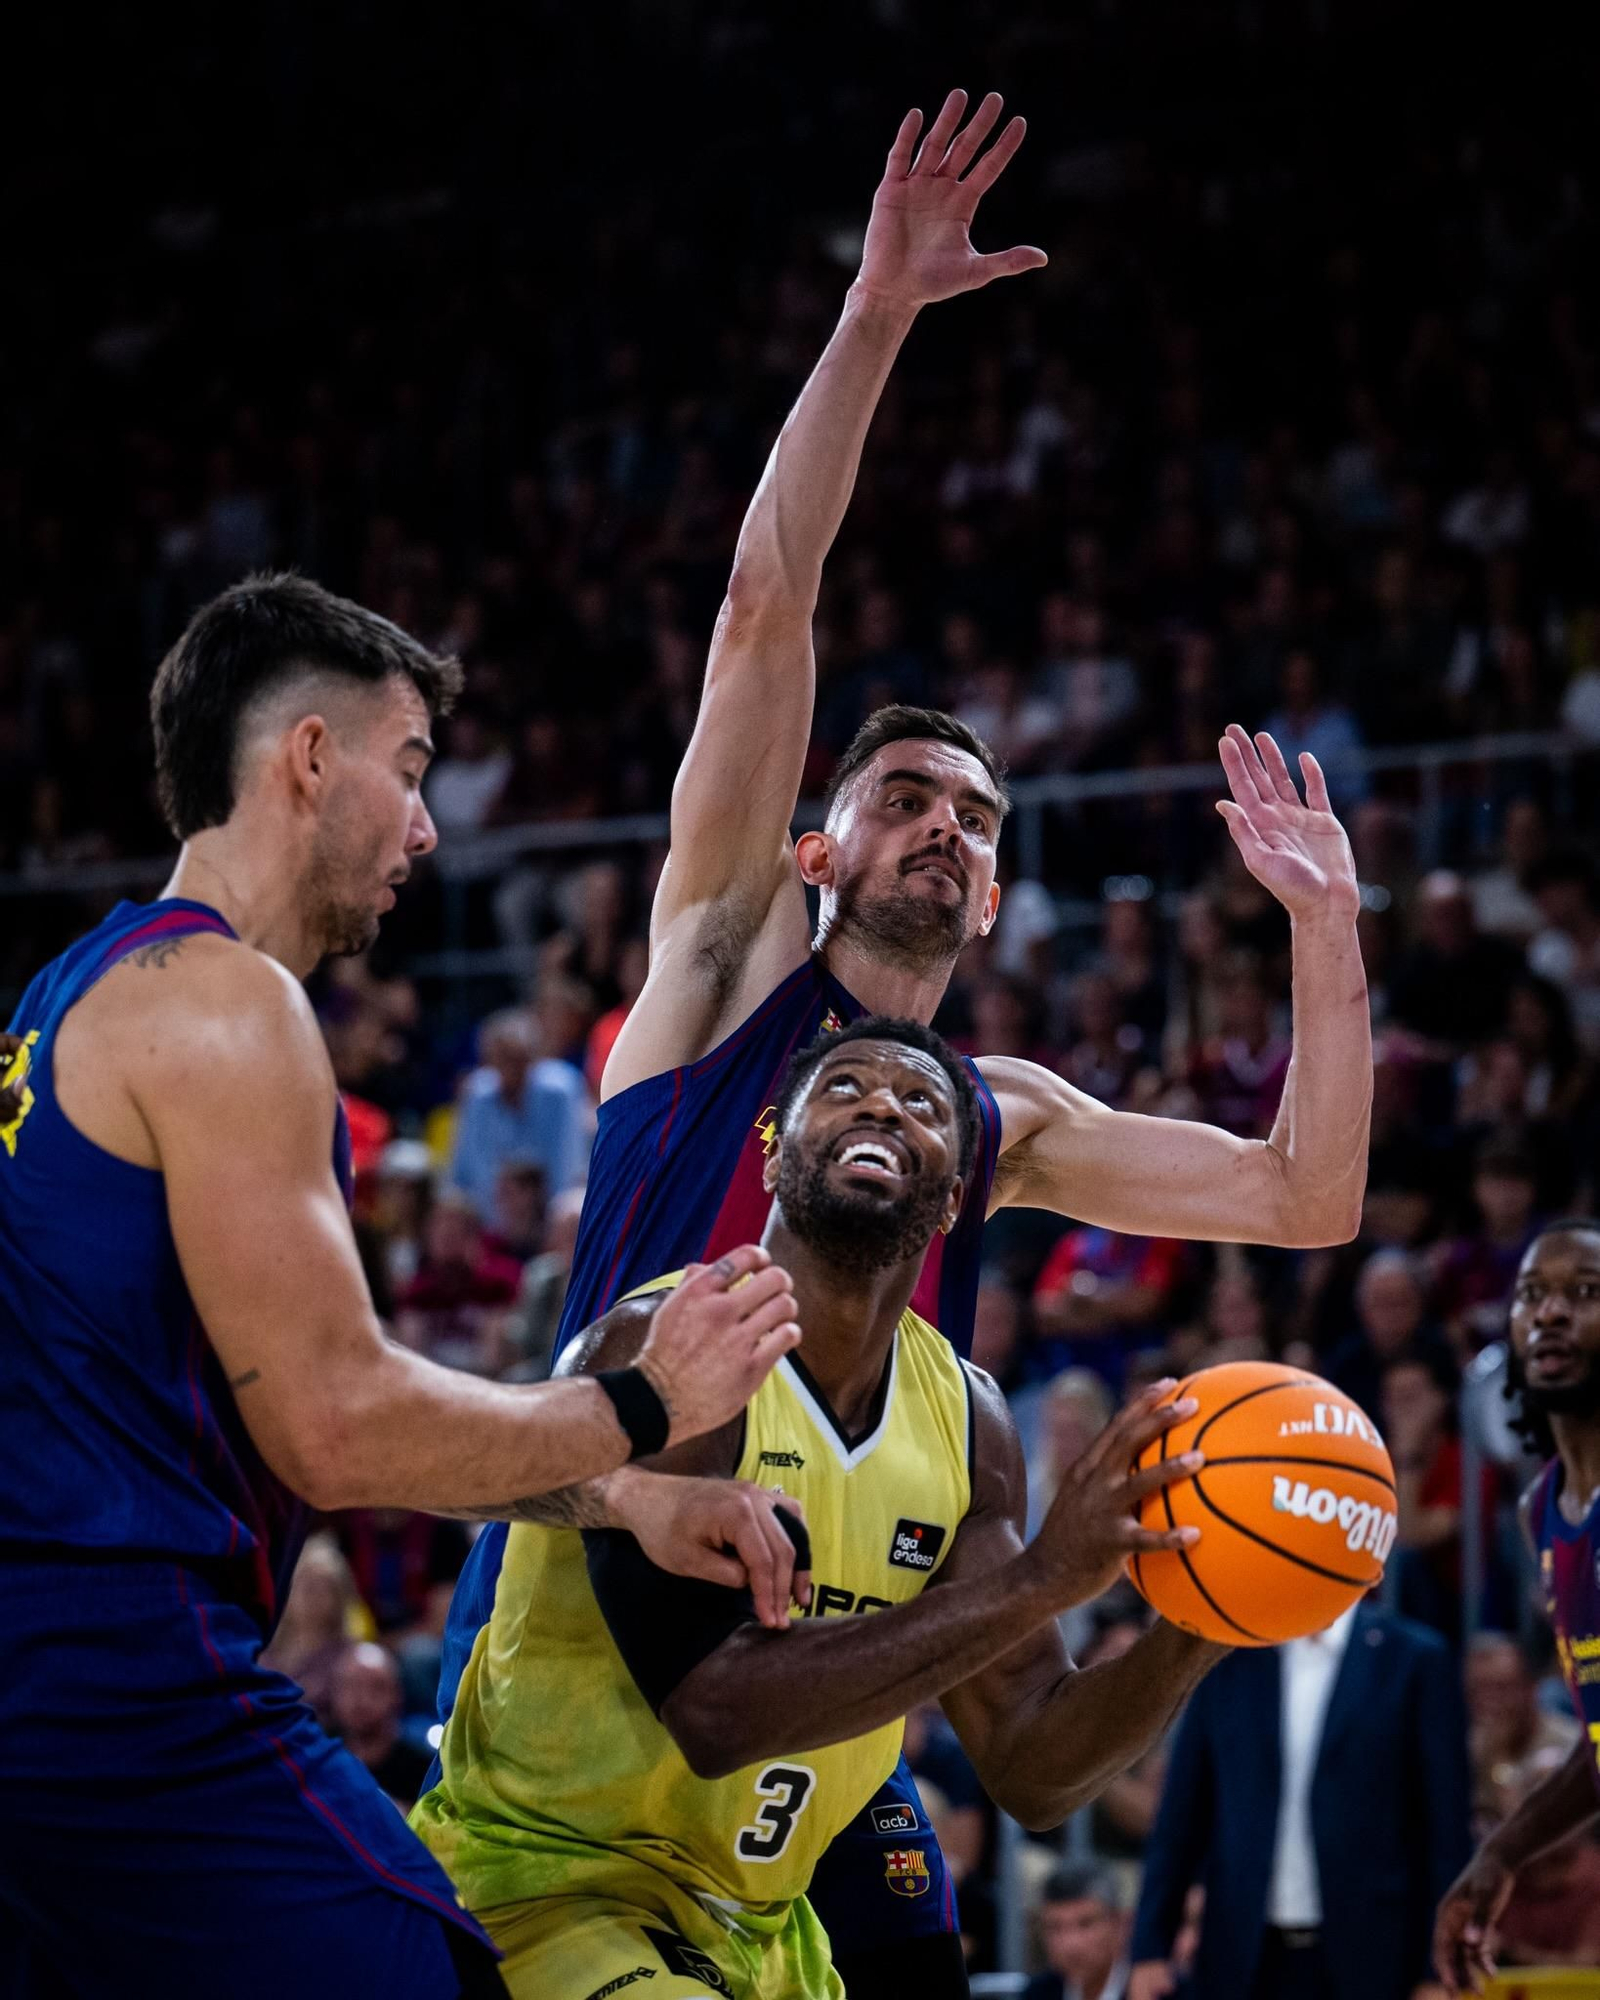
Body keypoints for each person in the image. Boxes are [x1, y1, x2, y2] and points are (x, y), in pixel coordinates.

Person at [436, 89, 1372, 2000]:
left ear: (1002, 896)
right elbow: (764, 607)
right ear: (817, 851)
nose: (949, 827)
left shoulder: (985, 1120)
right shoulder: (712, 973)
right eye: (910, 799)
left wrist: (1329, 935)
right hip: (623, 1570)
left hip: (835, 1625)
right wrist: (874, 316)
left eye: (979, 818)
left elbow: (1308, 1198)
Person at [0, 574, 808, 1998]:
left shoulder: (67, 994)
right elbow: (342, 1429)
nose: (429, 826)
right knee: (426, 1966)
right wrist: (641, 1404)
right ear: (310, 759)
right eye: (410, 766)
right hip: (117, 1685)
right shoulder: (228, 1005)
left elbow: (295, 1412)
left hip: (54, 1694)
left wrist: (618, 1495)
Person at [412, 1018, 1224, 1999]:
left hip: (761, 1928)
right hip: (549, 1884)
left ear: (956, 1195)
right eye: (842, 1086)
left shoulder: (969, 1418)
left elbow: (1031, 1759)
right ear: (772, 1150)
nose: (882, 1101)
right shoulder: (666, 1342)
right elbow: (713, 1710)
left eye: (923, 1102)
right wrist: (1040, 1579)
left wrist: (1204, 1617)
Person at [1130, 1602, 1471, 2000]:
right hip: (1244, 1952)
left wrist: (1436, 1969)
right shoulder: (1227, 1655)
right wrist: (1149, 1947)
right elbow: (1180, 1816)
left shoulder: (1414, 1657)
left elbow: (1446, 1830)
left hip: (1377, 1954)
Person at [1433, 1219, 1600, 1994]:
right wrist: (1504, 1848)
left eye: (1586, 1293)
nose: (1552, 1313)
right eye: (1532, 1294)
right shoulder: (1543, 1510)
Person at [1026, 1863, 1132, 2000]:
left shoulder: (1152, 1989)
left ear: (1118, 1924)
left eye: (1086, 1924)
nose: (1071, 1944)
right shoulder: (1038, 1993)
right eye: (1054, 1927)